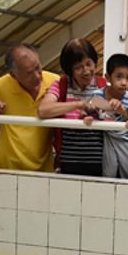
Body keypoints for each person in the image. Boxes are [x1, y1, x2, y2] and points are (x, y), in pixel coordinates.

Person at [38, 38, 106, 176]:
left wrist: (95, 110)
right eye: (78, 67)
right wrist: (78, 104)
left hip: (102, 162)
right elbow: (43, 110)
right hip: (68, 162)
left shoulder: (103, 85)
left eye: (89, 64)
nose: (86, 71)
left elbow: (115, 110)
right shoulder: (61, 86)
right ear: (70, 70)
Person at [0, 44, 60, 172]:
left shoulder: (55, 82)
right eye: (29, 73)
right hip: (10, 169)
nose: (37, 76)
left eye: (38, 67)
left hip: (45, 170)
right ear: (13, 75)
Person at [83, 53, 128, 179]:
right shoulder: (98, 95)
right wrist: (89, 117)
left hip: (127, 141)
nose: (124, 83)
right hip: (108, 138)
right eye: (119, 77)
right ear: (108, 78)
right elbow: (87, 111)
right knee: (108, 174)